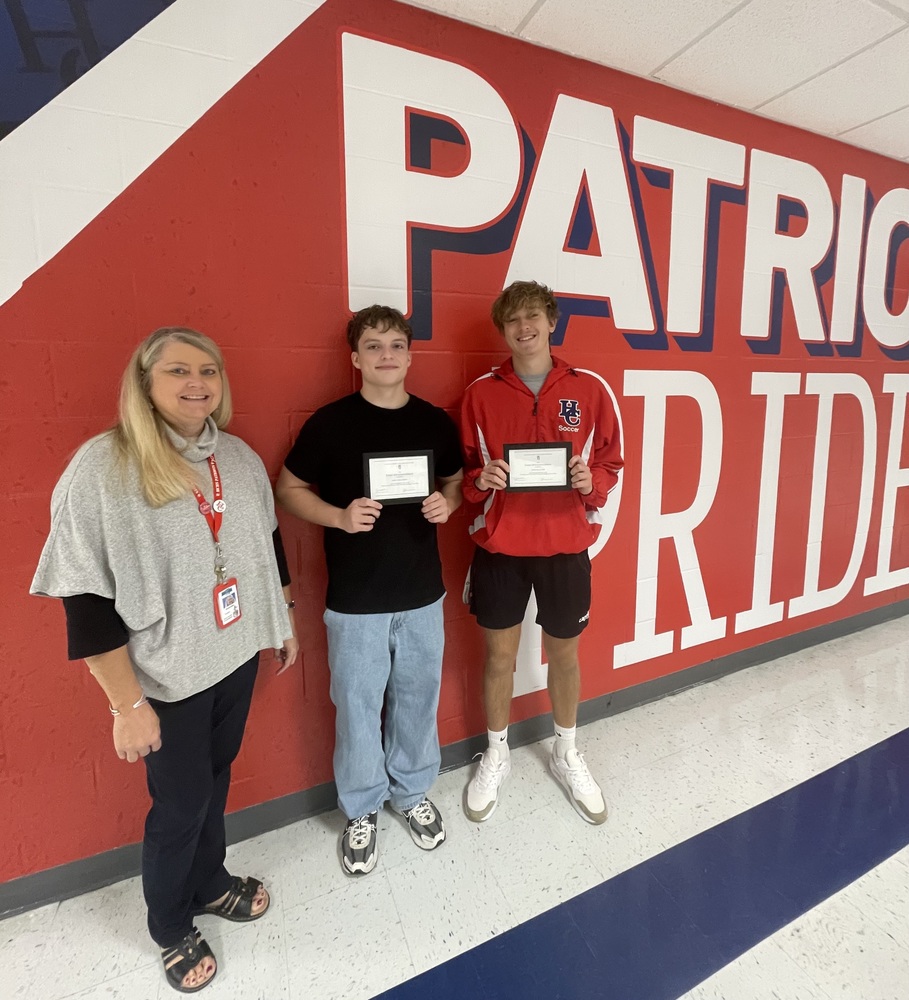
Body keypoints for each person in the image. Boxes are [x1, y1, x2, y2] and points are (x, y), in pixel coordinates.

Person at [31, 327, 299, 994]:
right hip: (166, 676)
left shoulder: (234, 458)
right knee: (179, 805)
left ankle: (209, 882)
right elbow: (84, 600)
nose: (197, 382)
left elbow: (266, 542)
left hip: (234, 657)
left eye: (208, 369)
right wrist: (126, 705)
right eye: (178, 369)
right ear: (144, 383)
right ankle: (169, 924)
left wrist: (280, 619)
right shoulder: (103, 468)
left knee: (214, 780)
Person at [276, 304, 463, 877]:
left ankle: (411, 794)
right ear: (355, 358)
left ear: (410, 355)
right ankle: (362, 808)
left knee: (417, 699)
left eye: (397, 345)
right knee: (357, 706)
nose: (387, 354)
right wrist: (337, 516)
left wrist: (446, 504)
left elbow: (454, 482)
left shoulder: (433, 421)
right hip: (356, 602)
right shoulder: (330, 423)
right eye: (375, 345)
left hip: (422, 596)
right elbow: (287, 487)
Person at [459, 280, 623, 825]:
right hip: (502, 548)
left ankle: (566, 751)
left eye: (532, 317)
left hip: (564, 547)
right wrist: (482, 479)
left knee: (567, 654)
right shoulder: (480, 394)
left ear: (551, 322)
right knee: (500, 657)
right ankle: (498, 752)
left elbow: (611, 461)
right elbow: (464, 475)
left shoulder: (590, 388)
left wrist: (588, 484)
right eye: (511, 321)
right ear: (502, 330)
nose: (522, 328)